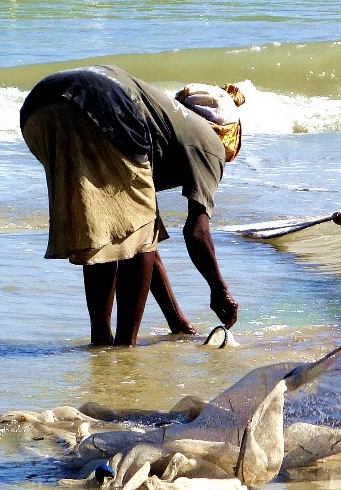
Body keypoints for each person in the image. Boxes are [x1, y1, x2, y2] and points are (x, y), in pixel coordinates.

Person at [19, 66, 243, 347]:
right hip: (105, 105)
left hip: (39, 108)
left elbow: (142, 238)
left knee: (107, 230)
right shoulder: (208, 142)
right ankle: (125, 346)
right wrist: (218, 289)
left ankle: (100, 341)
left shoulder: (163, 119)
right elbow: (196, 233)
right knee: (133, 236)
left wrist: (177, 323)